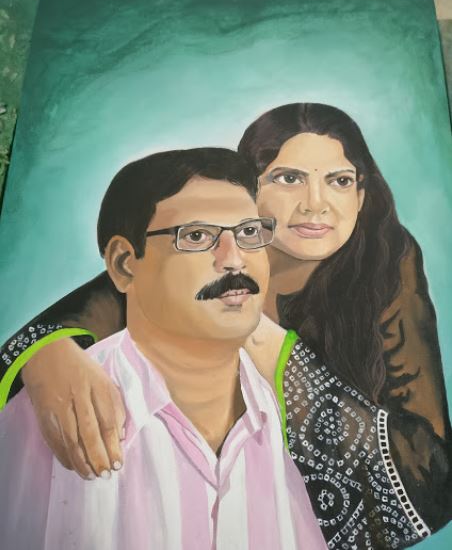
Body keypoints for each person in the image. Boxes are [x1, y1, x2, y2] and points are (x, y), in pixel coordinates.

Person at [0, 103, 451, 548]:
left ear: (362, 194)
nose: (316, 204)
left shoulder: (385, 257)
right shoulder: (190, 253)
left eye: (340, 180)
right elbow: (88, 310)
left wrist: (267, 345)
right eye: (288, 178)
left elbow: (430, 476)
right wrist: (47, 356)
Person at [0, 147, 326, 550]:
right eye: (196, 236)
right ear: (124, 263)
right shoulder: (58, 407)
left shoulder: (267, 410)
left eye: (248, 233)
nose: (234, 260)